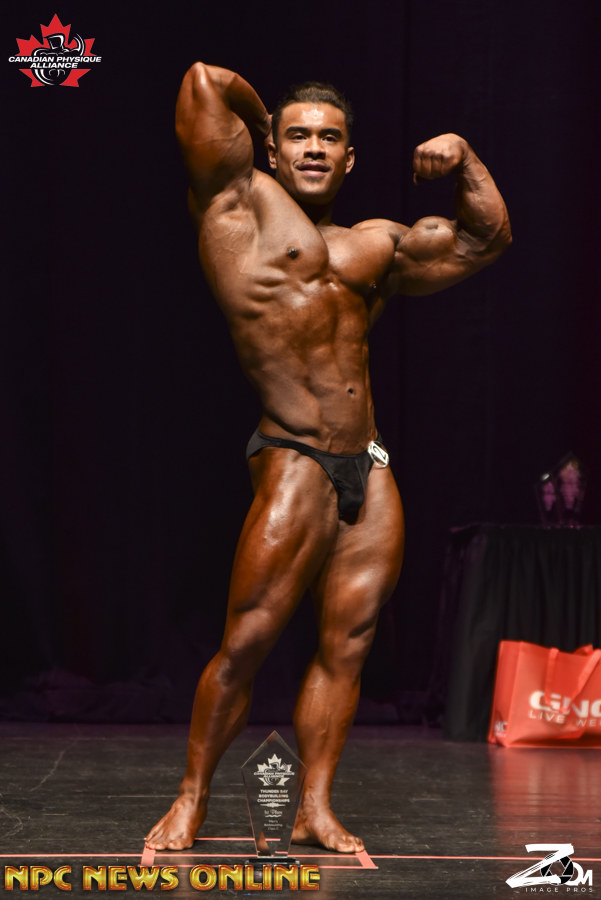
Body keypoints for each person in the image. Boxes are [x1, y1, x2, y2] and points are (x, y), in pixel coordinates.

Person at [145, 63, 511, 853]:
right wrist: (261, 117)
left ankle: (314, 806)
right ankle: (191, 798)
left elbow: (485, 240)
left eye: (329, 138)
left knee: (347, 648)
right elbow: (203, 84)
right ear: (274, 149)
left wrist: (464, 157)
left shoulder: (376, 245)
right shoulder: (235, 205)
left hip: (367, 468)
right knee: (247, 644)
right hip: (293, 453)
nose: (314, 148)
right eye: (298, 136)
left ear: (350, 157)